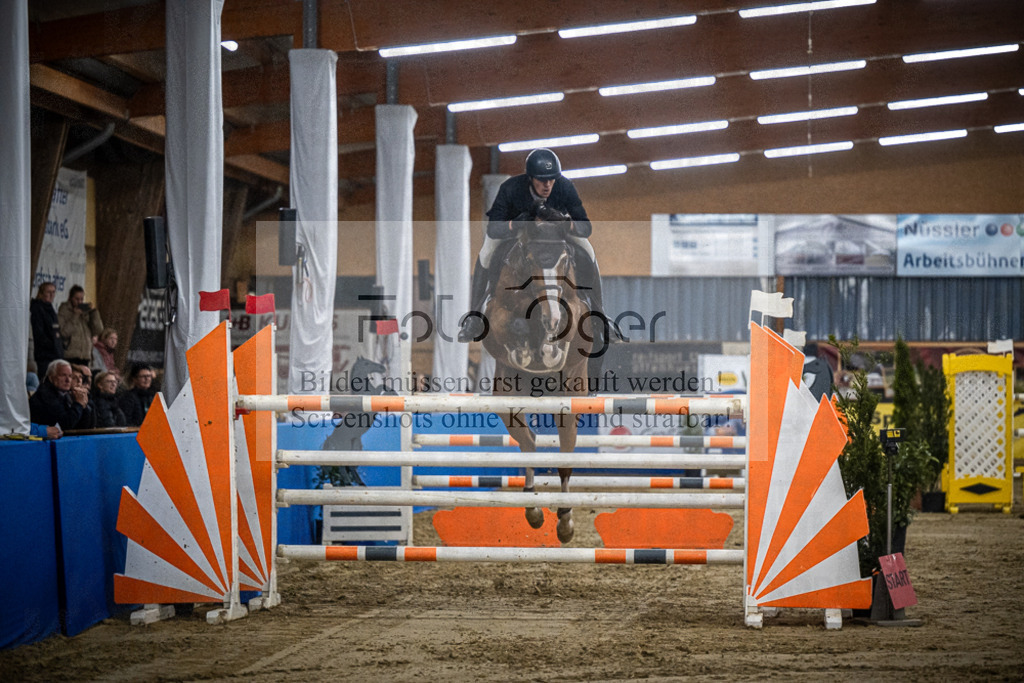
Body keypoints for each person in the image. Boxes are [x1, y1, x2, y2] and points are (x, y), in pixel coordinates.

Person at [457, 148, 620, 348]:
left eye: (551, 179)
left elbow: (586, 227)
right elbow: (494, 227)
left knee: (589, 250)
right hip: (519, 232)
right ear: (530, 178)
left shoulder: (565, 187)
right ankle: (474, 316)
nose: (547, 185)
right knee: (487, 251)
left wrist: (565, 222)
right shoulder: (511, 188)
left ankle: (599, 316)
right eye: (542, 180)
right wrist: (516, 224)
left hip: (555, 233)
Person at [29, 359, 90, 429]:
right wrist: (78, 404)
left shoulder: (65, 394)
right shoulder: (45, 395)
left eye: (70, 376)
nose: (68, 380)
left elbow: (85, 426)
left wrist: (84, 406)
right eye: (63, 375)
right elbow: (65, 424)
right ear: (51, 377)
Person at [58, 285, 104, 367]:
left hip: (85, 355)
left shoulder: (85, 312)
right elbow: (64, 332)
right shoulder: (64, 310)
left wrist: (94, 312)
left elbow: (98, 330)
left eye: (81, 299)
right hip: (70, 355)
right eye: (77, 299)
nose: (79, 302)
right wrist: (75, 315)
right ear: (70, 298)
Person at [30, 282, 64, 373]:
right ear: (41, 293)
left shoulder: (50, 308)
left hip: (56, 354)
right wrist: (52, 344)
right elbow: (39, 333)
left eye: (53, 292)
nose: (51, 295)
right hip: (45, 355)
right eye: (48, 292)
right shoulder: (38, 308)